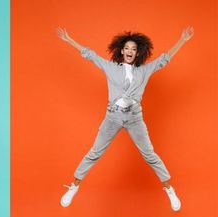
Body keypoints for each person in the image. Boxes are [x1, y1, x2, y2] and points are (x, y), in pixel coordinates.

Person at [56, 26, 194, 211]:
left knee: (150, 155)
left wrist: (182, 40)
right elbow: (89, 54)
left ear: (138, 53)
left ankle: (169, 190)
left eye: (134, 49)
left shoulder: (144, 71)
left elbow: (164, 59)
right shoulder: (110, 67)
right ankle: (74, 186)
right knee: (94, 153)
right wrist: (69, 39)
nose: (130, 51)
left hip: (135, 118)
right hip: (112, 117)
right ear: (121, 50)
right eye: (127, 48)